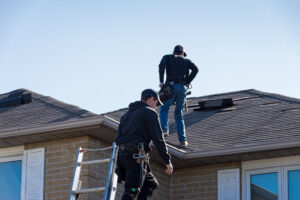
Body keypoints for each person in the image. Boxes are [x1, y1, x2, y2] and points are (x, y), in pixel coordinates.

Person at [116, 89, 173, 200]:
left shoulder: (126, 116)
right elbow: (158, 139)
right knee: (132, 190)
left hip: (124, 156)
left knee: (151, 184)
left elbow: (118, 139)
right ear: (152, 99)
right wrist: (167, 161)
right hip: (136, 157)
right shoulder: (149, 112)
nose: (156, 107)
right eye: (156, 103)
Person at [159, 45, 198, 147]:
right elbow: (196, 69)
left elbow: (161, 66)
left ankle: (164, 130)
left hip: (170, 87)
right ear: (182, 53)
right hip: (182, 88)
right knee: (179, 114)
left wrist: (161, 81)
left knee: (164, 109)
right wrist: (187, 81)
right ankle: (183, 140)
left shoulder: (167, 57)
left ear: (173, 52)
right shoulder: (186, 61)